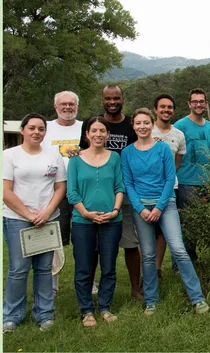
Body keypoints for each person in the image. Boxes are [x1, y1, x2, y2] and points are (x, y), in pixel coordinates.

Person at [122, 108, 210, 315]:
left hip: (165, 204)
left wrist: (159, 207)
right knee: (149, 255)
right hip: (141, 207)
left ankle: (197, 297)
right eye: (138, 123)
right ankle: (151, 299)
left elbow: (170, 179)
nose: (142, 127)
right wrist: (141, 209)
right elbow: (128, 183)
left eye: (146, 123)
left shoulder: (162, 149)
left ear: (152, 125)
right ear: (133, 126)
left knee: (178, 249)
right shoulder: (127, 153)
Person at [3, 113, 66, 333]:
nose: (36, 132)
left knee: (44, 268)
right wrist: (29, 215)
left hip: (48, 220)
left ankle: (44, 314)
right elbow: (6, 192)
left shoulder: (54, 156)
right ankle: (11, 315)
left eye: (40, 129)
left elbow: (60, 188)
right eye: (31, 128)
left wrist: (47, 212)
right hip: (18, 220)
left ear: (45, 133)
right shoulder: (9, 155)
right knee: (19, 269)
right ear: (22, 130)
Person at [79, 84, 141, 301]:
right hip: (98, 194)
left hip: (124, 191)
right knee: (95, 246)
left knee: (131, 244)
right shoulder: (93, 123)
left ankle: (136, 288)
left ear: (123, 98)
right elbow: (82, 151)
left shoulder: (131, 124)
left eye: (116, 98)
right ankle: (91, 288)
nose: (112, 102)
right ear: (102, 99)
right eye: (108, 98)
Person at [67, 117, 124, 326]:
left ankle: (105, 307)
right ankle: (87, 310)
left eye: (102, 130)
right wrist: (87, 214)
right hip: (83, 222)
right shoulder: (75, 159)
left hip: (112, 220)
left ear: (108, 134)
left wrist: (115, 210)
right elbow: (72, 193)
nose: (98, 134)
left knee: (108, 267)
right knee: (83, 267)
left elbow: (120, 187)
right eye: (94, 130)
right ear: (87, 134)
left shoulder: (115, 158)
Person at [41, 90, 83, 295]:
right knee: (53, 239)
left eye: (71, 104)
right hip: (54, 191)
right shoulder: (45, 128)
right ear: (55, 106)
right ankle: (51, 286)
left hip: (83, 190)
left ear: (77, 106)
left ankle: (88, 281)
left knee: (85, 239)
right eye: (63, 104)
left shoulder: (85, 127)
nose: (68, 107)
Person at [174, 88, 210, 264]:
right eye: (195, 101)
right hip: (186, 181)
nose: (198, 104)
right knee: (186, 223)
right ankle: (181, 263)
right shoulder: (180, 126)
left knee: (199, 221)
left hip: (205, 182)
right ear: (189, 104)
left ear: (206, 104)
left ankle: (193, 259)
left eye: (201, 101)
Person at [152, 94, 186, 278]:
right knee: (147, 231)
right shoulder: (146, 130)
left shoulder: (178, 135)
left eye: (170, 107)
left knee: (164, 231)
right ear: (155, 109)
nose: (166, 110)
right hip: (146, 188)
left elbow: (177, 164)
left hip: (171, 188)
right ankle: (147, 271)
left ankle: (157, 269)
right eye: (162, 107)